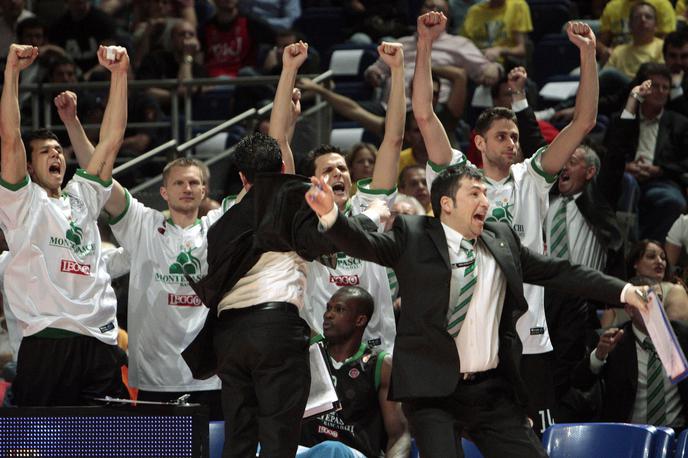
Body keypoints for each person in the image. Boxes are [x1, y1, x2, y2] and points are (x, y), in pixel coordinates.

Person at [305, 164, 650, 458]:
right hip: (431, 393)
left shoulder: (501, 241)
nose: (485, 201)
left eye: (486, 193)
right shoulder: (414, 236)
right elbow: (363, 243)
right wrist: (331, 215)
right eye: (475, 193)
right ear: (447, 204)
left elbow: (561, 271)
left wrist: (624, 291)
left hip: (491, 390)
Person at [182, 41, 379, 458]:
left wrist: (286, 92)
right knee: (278, 438)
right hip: (275, 329)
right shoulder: (287, 197)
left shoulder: (222, 219)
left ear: (240, 175)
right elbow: (278, 150)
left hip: (229, 337)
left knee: (239, 438)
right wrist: (290, 69)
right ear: (280, 172)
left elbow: (275, 146)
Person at [412, 12, 600, 434]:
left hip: (529, 335)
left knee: (534, 440)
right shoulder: (459, 177)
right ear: (478, 142)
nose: (513, 144)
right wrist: (424, 45)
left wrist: (588, 54)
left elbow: (584, 121)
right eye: (502, 136)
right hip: (467, 335)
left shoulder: (531, 177)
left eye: (515, 137)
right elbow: (424, 115)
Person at [0, 43, 129, 406]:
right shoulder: (21, 200)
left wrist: (119, 75)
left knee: (112, 443)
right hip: (48, 341)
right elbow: (10, 140)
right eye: (45, 152)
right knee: (38, 445)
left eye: (58, 150)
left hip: (100, 341)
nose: (56, 154)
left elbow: (112, 140)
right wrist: (12, 71)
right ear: (28, 167)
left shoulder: (82, 197)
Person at [293, 42, 407, 353]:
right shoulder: (300, 221)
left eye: (343, 168)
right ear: (312, 183)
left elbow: (393, 140)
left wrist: (397, 72)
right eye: (328, 170)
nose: (340, 174)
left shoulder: (370, 205)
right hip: (320, 354)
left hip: (377, 349)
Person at [298, 286, 410, 457]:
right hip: (307, 451)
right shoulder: (312, 349)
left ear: (360, 320)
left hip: (351, 452)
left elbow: (399, 434)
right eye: (328, 308)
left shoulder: (380, 365)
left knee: (333, 449)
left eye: (339, 309)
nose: (328, 314)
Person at [573, 277, 688, 428]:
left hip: (677, 436)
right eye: (647, 300)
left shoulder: (683, 337)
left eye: (659, 299)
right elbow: (580, 382)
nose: (656, 306)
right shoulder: (613, 340)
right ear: (629, 309)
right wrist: (599, 355)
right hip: (628, 437)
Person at [606, 64, 688, 241]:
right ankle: (624, 250)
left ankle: (646, 250)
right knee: (628, 185)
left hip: (661, 180)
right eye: (655, 86)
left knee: (674, 201)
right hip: (625, 177)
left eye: (665, 87)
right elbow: (609, 152)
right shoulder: (623, 118)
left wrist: (659, 169)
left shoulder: (679, 123)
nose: (660, 91)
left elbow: (684, 162)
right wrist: (626, 167)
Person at [602, 240, 688, 327]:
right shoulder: (620, 292)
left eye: (663, 258)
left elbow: (676, 334)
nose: (659, 261)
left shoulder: (675, 290)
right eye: (651, 256)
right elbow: (604, 332)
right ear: (635, 263)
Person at [460, 0, 533, 65]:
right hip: (472, 59)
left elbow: (521, 50)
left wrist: (500, 50)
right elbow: (462, 44)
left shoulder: (517, 6)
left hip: (500, 62)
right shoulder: (474, 12)